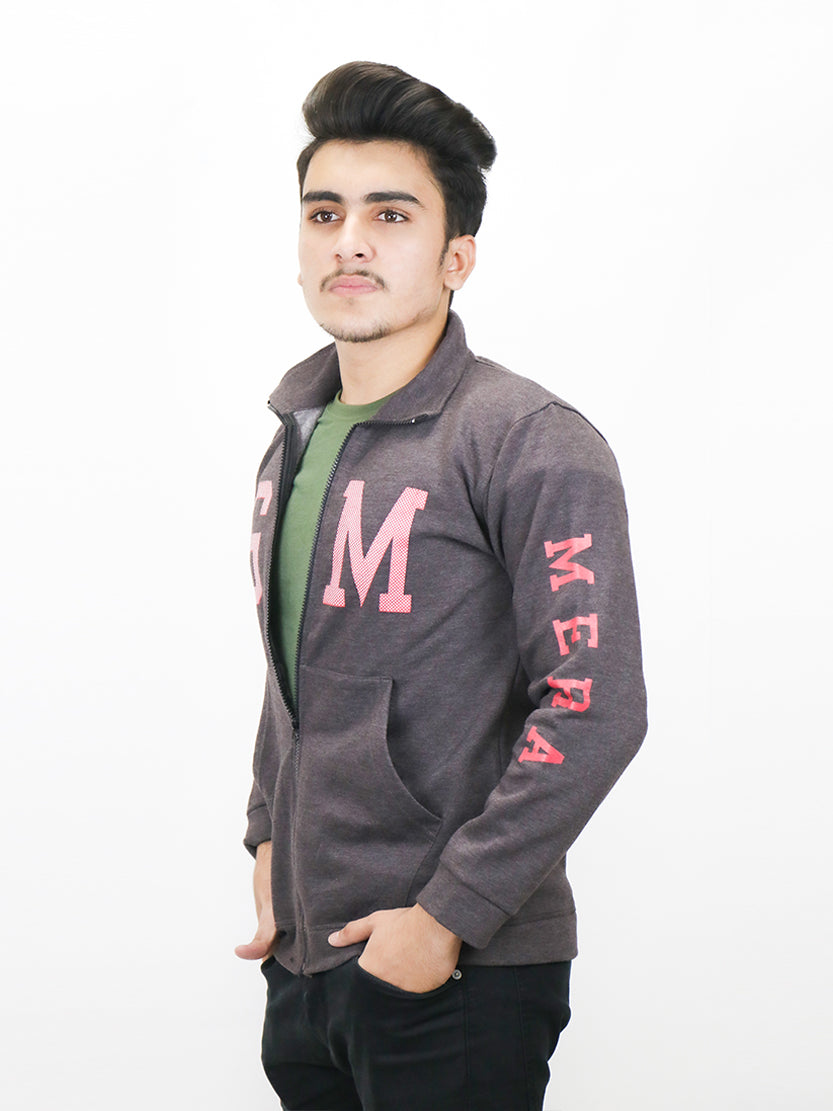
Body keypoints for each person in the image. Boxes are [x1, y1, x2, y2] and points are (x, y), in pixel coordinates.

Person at [235, 60, 647, 1111]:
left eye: (390, 214)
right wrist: (267, 837)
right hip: (307, 959)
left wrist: (445, 918)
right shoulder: (293, 438)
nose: (349, 241)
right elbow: (296, 674)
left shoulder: (528, 440)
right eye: (323, 213)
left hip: (454, 971)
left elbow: (595, 706)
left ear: (456, 255)